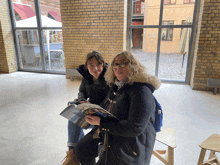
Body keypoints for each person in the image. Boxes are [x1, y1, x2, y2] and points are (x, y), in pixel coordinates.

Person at [75, 51, 161, 165]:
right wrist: (91, 110)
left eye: (123, 63)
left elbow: (135, 128)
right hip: (113, 129)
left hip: (132, 142)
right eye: (115, 64)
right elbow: (105, 105)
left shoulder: (141, 91)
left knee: (107, 159)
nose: (117, 67)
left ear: (132, 67)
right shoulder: (117, 85)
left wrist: (101, 122)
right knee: (81, 148)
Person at [62, 51, 109, 165]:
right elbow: (81, 91)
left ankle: (75, 154)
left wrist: (96, 108)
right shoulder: (86, 77)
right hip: (91, 112)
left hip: (103, 117)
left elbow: (109, 100)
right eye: (91, 65)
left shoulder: (109, 78)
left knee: (82, 130)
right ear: (87, 66)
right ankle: (72, 154)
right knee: (72, 115)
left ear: (103, 65)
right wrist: (81, 99)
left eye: (98, 65)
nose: (95, 69)